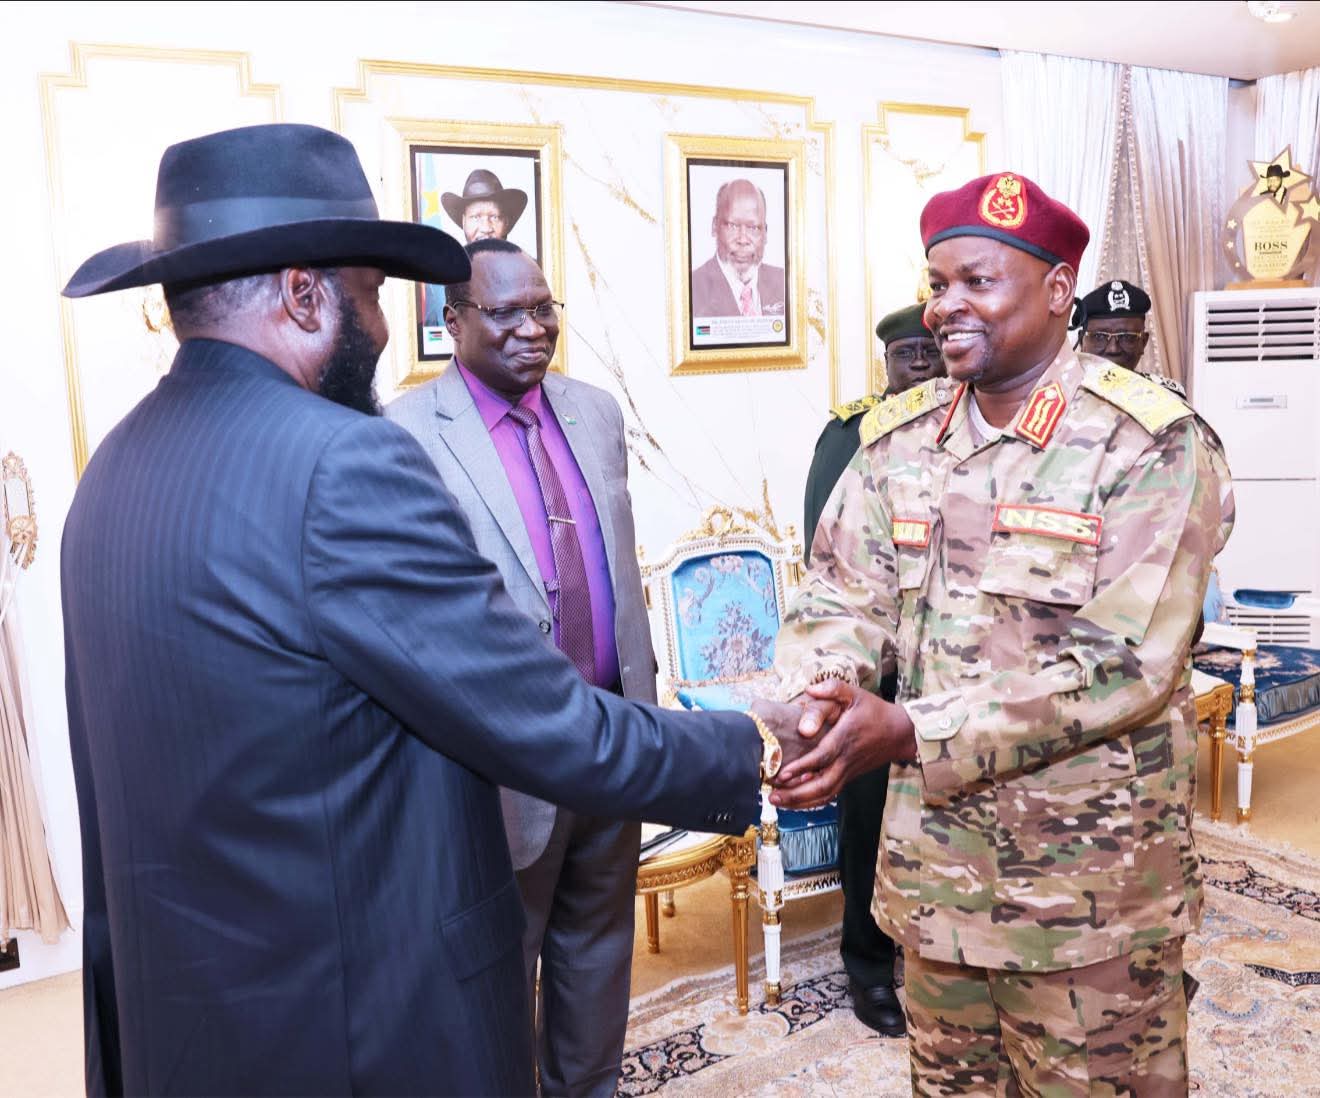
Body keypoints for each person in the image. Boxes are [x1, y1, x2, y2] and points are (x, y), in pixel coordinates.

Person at [58, 123, 812, 1098]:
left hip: (189, 1032)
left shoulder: (109, 473)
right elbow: (544, 721)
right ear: (302, 295)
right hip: (362, 1029)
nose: (378, 330)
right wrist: (759, 743)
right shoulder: (347, 463)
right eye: (371, 297)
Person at [770, 171, 1233, 1095]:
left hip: (1089, 899)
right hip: (934, 883)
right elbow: (842, 598)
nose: (946, 307)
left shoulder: (1148, 442)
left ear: (1059, 288)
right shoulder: (897, 441)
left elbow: (1123, 665)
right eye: (937, 284)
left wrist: (910, 729)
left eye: (977, 282)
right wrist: (819, 687)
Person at [388, 238, 649, 1097]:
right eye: (505, 313)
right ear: (451, 321)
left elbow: (617, 567)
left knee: (598, 951)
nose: (531, 328)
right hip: (498, 756)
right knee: (503, 967)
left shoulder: (597, 411)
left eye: (543, 309)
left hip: (613, 731)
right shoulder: (404, 431)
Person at [798, 301, 945, 1038]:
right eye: (906, 354)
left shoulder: (968, 422)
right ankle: (867, 964)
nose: (921, 364)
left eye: (931, 350)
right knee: (869, 824)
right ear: (884, 362)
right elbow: (828, 557)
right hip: (876, 676)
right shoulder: (854, 434)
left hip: (951, 677)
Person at [423, 168, 529, 325]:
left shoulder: (528, 272)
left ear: (506, 222)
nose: (485, 227)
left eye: (494, 217)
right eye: (476, 217)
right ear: (464, 221)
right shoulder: (443, 275)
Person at [690, 178, 786, 318]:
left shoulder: (785, 283)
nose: (742, 239)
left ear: (765, 233)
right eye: (732, 226)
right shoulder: (691, 288)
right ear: (714, 227)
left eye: (753, 228)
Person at [1077, 278, 1188, 398]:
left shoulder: (1166, 395)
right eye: (1099, 337)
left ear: (1143, 342)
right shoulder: (1064, 395)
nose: (1113, 349)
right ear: (1081, 340)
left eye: (1126, 337)